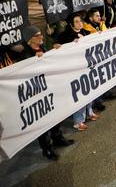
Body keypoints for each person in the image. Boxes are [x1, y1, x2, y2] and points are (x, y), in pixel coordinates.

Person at [18, 26, 74, 160]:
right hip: (37, 94)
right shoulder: (24, 55)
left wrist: (56, 49)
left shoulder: (44, 47)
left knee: (55, 115)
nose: (42, 37)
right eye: (38, 35)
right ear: (30, 39)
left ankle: (57, 137)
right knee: (42, 123)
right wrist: (32, 60)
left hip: (50, 88)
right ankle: (46, 149)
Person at [58, 13, 99, 130]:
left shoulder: (85, 32)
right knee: (80, 95)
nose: (80, 23)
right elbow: (59, 49)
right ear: (71, 23)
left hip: (86, 67)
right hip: (74, 71)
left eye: (80, 21)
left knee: (90, 91)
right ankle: (78, 121)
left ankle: (89, 112)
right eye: (76, 21)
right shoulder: (65, 36)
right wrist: (71, 45)